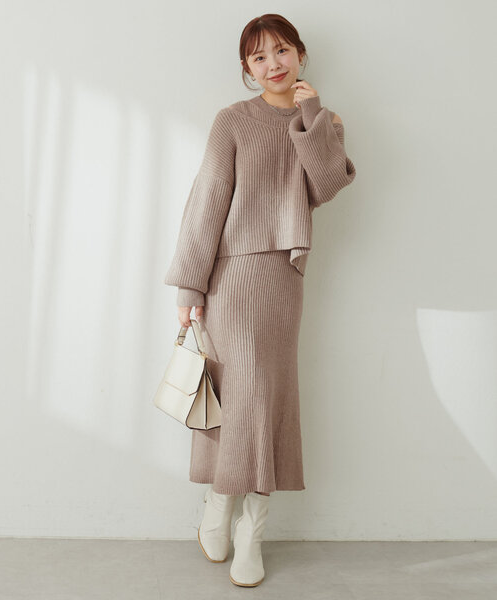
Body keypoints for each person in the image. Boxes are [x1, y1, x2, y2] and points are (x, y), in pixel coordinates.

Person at [164, 13, 356, 587]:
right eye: (259, 57)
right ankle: (223, 503)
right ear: (247, 69)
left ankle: (250, 528)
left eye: (282, 51)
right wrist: (191, 285)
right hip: (231, 279)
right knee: (240, 398)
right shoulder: (232, 120)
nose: (273, 64)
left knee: (268, 400)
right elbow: (207, 199)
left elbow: (326, 185)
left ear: (300, 54)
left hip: (283, 281)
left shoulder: (322, 121)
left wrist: (311, 115)